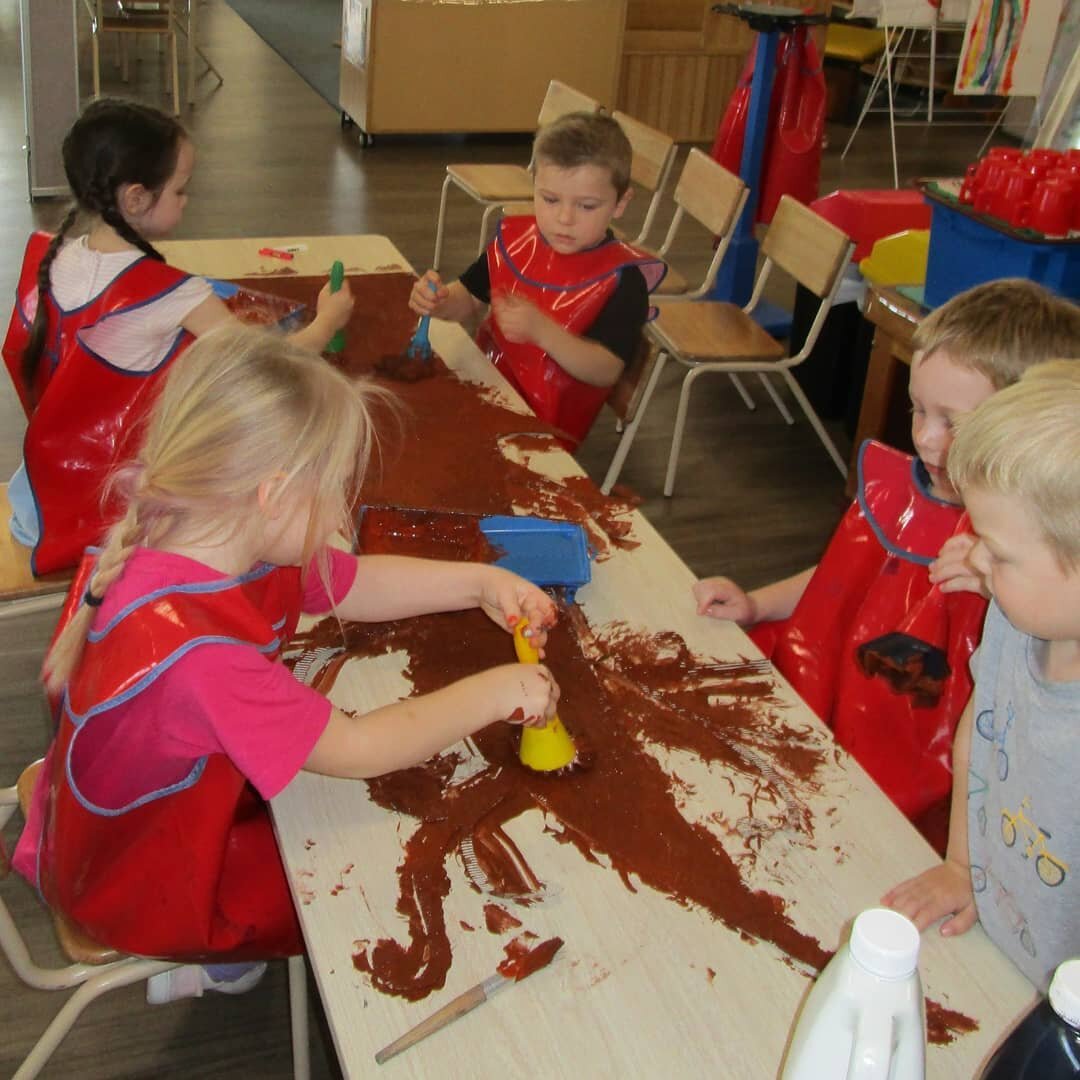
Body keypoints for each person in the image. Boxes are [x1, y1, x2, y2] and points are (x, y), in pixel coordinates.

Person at [12, 325, 560, 1003]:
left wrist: (478, 584)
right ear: (273, 494)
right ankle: (203, 964)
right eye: (334, 492)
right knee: (337, 888)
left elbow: (350, 582)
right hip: (139, 878)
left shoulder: (193, 523)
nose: (341, 512)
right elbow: (360, 747)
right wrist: (497, 692)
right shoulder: (201, 657)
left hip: (112, 819)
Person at [691, 280, 1080, 850]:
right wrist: (757, 603)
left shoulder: (1029, 557)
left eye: (956, 423)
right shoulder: (898, 490)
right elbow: (843, 579)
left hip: (914, 793)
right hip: (821, 717)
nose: (925, 437)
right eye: (918, 409)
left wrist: (992, 591)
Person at [1, 98, 354, 576]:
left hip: (43, 485)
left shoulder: (49, 254)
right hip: (109, 506)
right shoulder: (170, 293)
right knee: (252, 512)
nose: (187, 202)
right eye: (180, 191)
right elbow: (262, 363)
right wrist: (326, 323)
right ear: (135, 199)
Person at [884, 361, 1080, 993]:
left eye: (998, 549)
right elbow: (980, 732)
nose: (976, 556)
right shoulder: (1015, 622)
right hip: (991, 954)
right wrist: (963, 863)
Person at [408, 111, 666, 451]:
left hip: (541, 435)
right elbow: (468, 296)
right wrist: (439, 301)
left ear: (620, 203)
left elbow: (605, 371)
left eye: (587, 206)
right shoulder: (518, 241)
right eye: (549, 199)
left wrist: (542, 332)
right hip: (486, 387)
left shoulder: (622, 280)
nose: (564, 218)